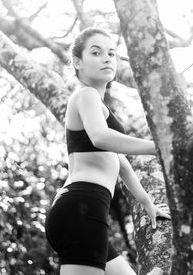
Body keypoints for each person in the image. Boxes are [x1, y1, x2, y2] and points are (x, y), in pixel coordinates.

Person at [45, 27, 171, 275]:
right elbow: (101, 138)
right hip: (82, 207)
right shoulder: (86, 95)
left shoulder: (97, 105)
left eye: (112, 54)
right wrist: (161, 148)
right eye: (96, 52)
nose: (107, 58)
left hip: (81, 210)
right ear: (78, 62)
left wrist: (147, 203)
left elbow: (120, 163)